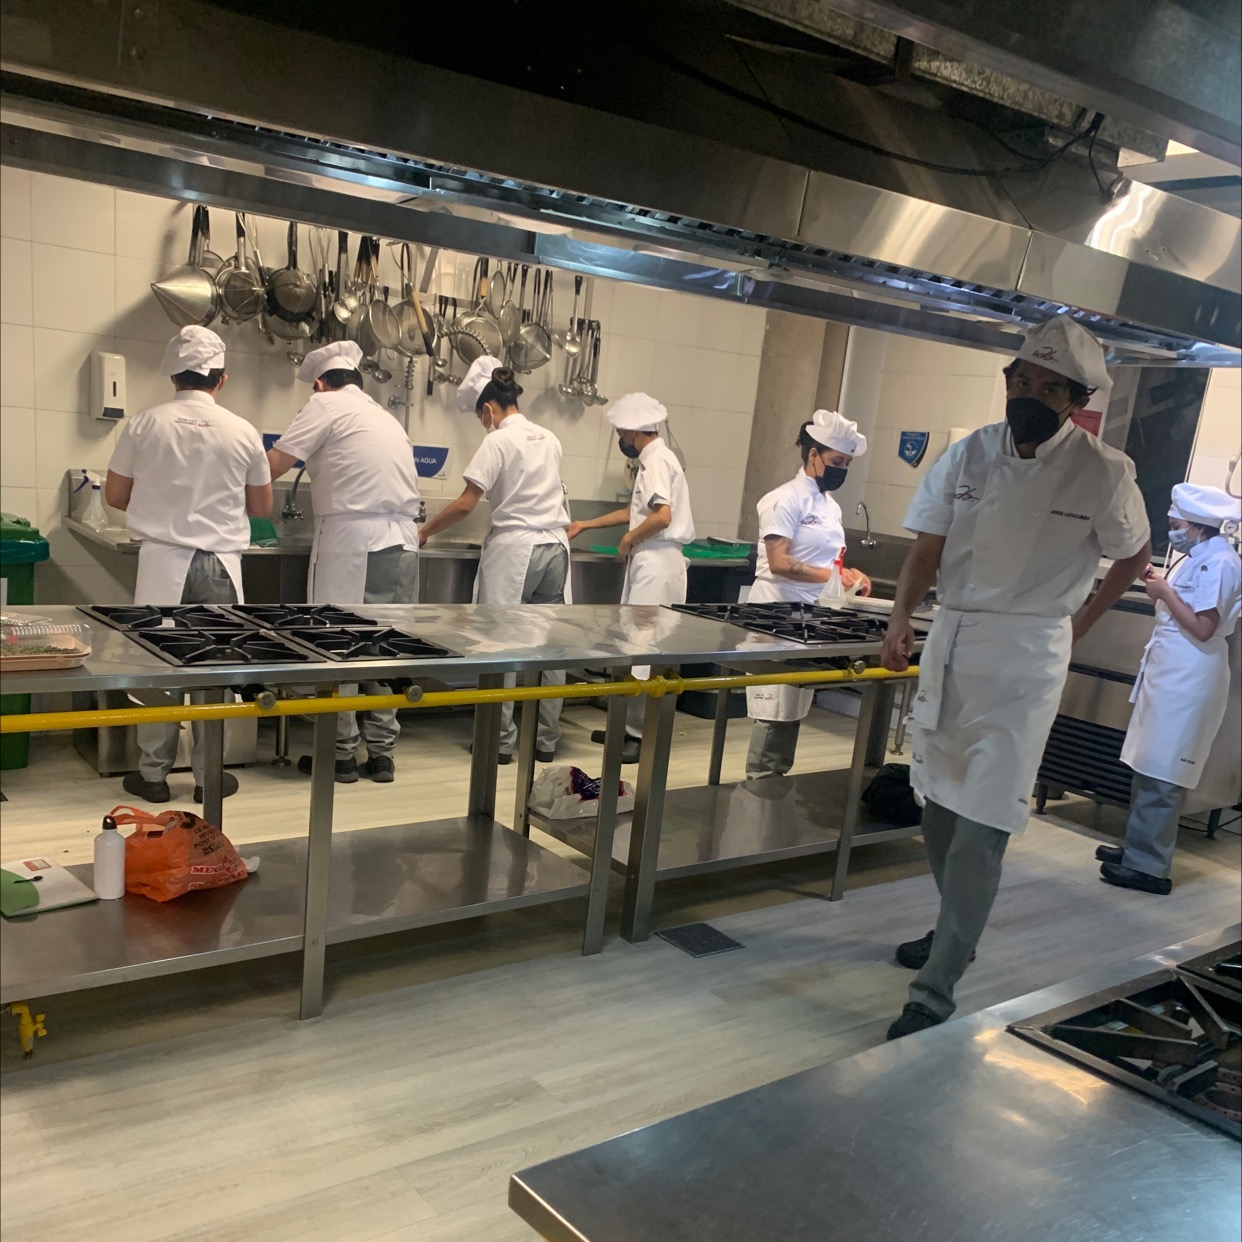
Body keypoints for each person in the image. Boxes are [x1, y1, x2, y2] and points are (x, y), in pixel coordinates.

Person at [880, 317, 1151, 1040]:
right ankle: (956, 926)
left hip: (1028, 657)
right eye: (1019, 380)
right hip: (953, 642)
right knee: (937, 807)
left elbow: (1134, 555)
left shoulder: (1105, 472)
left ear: (1076, 400)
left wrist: (1080, 622)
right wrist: (901, 616)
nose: (1027, 394)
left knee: (983, 826)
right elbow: (927, 548)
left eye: (1047, 387)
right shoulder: (969, 453)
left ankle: (935, 989)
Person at [104, 326, 271, 804]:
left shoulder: (144, 423)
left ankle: (153, 777)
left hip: (162, 563)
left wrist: (160, 505)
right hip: (221, 567)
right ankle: (207, 777)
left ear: (174, 376)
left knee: (158, 671)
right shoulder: (243, 430)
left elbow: (114, 494)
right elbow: (261, 507)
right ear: (222, 379)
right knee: (214, 674)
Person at [267, 341, 421, 784]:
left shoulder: (325, 404)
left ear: (319, 384)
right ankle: (383, 754)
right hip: (404, 542)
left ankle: (339, 755)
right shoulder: (385, 416)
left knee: (339, 644)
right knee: (388, 648)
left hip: (354, 541)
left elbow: (272, 467)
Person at [419, 356, 572, 764]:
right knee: (551, 647)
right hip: (556, 548)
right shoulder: (550, 438)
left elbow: (466, 504)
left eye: (480, 417)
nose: (483, 424)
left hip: (517, 550)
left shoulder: (498, 441)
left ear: (488, 409)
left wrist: (425, 530)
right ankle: (545, 741)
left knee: (499, 644)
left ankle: (500, 743)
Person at [1097, 484, 1241, 894]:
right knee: (1148, 762)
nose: (1173, 532)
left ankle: (1150, 868)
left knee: (1165, 771)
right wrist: (1160, 587)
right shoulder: (1198, 557)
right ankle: (1137, 848)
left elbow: (1204, 627)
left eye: (1177, 525)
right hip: (1170, 671)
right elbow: (1178, 612)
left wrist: (1164, 592)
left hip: (1190, 676)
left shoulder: (1221, 563)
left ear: (1198, 526)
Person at [566, 393, 694, 765]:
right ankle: (625, 728)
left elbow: (661, 517)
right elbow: (634, 511)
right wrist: (586, 524)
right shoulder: (655, 460)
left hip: (656, 564)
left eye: (621, 432)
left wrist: (628, 539)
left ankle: (637, 736)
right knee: (635, 646)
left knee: (644, 650)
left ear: (634, 431)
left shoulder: (656, 461)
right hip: (653, 561)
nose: (621, 438)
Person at [743, 410, 871, 780]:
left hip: (809, 614)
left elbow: (829, 561)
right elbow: (779, 561)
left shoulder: (831, 507)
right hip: (776, 612)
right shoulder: (783, 499)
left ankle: (774, 783)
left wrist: (851, 575)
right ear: (813, 455)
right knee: (774, 709)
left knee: (792, 706)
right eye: (837, 462)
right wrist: (834, 577)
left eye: (846, 464)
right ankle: (760, 784)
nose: (841, 470)